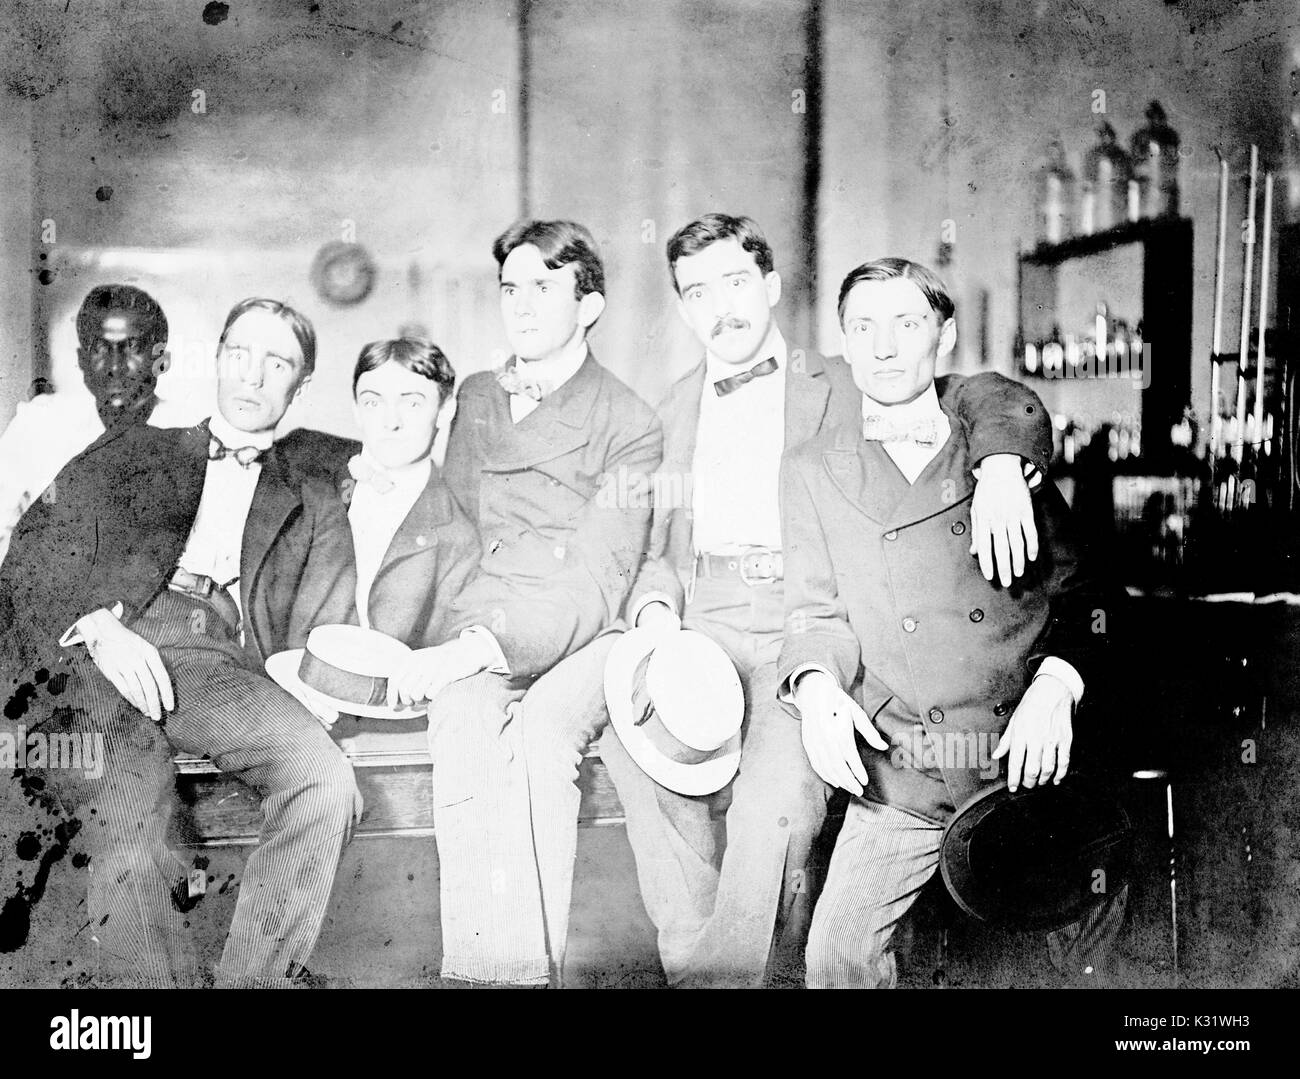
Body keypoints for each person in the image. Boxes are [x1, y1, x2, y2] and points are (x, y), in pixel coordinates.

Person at [598, 214, 1055, 987]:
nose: (722, 307)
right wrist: (654, 617)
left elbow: (977, 391)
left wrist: (1005, 460)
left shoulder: (850, 374)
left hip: (812, 617)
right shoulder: (670, 407)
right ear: (680, 306)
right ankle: (696, 960)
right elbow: (658, 549)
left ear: (772, 287)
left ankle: (720, 980)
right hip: (703, 614)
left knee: (777, 804)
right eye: (697, 291)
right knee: (632, 744)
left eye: (737, 282)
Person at [0, 297, 361, 987]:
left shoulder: (313, 491)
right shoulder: (140, 445)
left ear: (301, 385)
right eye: (240, 355)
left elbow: (326, 618)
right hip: (113, 640)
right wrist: (100, 624)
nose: (253, 377)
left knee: (325, 778)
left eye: (277, 362)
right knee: (133, 844)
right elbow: (35, 550)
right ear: (217, 358)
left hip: (218, 661)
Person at [777, 257, 1113, 988]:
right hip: (902, 767)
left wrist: (1057, 685)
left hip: (1018, 768)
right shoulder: (811, 467)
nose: (885, 347)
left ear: (946, 334)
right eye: (863, 327)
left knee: (1036, 967)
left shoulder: (1000, 455)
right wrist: (815, 688)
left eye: (908, 323)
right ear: (844, 341)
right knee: (834, 956)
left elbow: (1092, 599)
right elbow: (813, 610)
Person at [424, 219, 662, 986]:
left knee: (535, 738)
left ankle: (527, 976)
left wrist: (492, 644)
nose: (520, 306)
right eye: (510, 288)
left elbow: (599, 577)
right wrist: (459, 638)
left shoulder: (630, 421)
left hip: (588, 630)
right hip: (486, 620)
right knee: (459, 716)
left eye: (544, 288)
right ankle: (479, 970)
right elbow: (454, 528)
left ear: (589, 304)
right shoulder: (479, 395)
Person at [0, 284, 169, 565]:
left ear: (160, 361)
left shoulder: (190, 432)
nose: (116, 366)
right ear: (81, 360)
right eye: (101, 348)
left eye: (133, 348)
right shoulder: (39, 424)